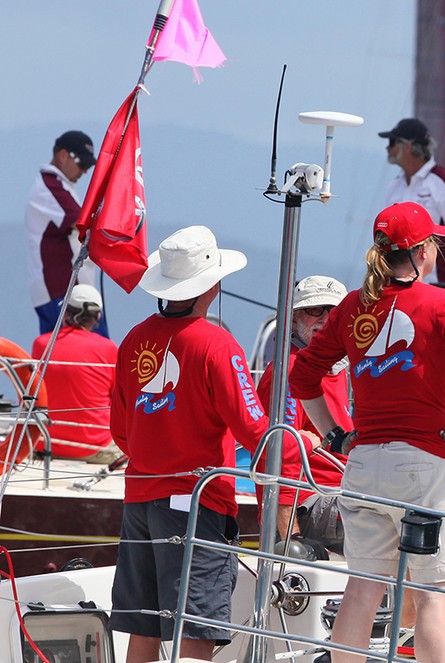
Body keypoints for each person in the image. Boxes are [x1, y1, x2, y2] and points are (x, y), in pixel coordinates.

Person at [290, 202, 445, 663]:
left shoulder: (352, 305)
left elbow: (303, 376)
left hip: (365, 465)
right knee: (433, 594)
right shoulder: (443, 304)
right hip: (427, 468)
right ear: (424, 251)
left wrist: (334, 437)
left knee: (363, 589)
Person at [108, 226, 268, 662]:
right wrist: (302, 457)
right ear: (210, 284)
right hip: (196, 505)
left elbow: (121, 431)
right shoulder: (217, 345)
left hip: (140, 497)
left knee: (145, 627)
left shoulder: (133, 340)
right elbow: (257, 430)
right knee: (194, 632)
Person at [255, 275, 353, 553]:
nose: (325, 318)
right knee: (403, 526)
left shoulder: (340, 369)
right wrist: (290, 540)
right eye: (314, 310)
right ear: (294, 319)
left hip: (342, 495)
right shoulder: (290, 372)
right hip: (311, 504)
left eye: (334, 311)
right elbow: (278, 457)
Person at [25, 130, 107, 337]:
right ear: (63, 155)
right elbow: (82, 223)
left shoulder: (60, 186)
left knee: (69, 359)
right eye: (82, 164)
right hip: (64, 293)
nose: (84, 171)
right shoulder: (49, 187)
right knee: (87, 356)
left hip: (69, 291)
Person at [31, 284, 119, 464]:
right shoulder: (109, 348)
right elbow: (119, 400)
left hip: (47, 444)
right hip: (94, 448)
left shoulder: (41, 344)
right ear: (98, 317)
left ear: (64, 313)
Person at [380, 118, 445, 285]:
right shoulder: (394, 186)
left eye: (392, 142)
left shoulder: (443, 182)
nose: (388, 147)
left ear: (407, 146)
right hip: (398, 285)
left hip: (437, 286)